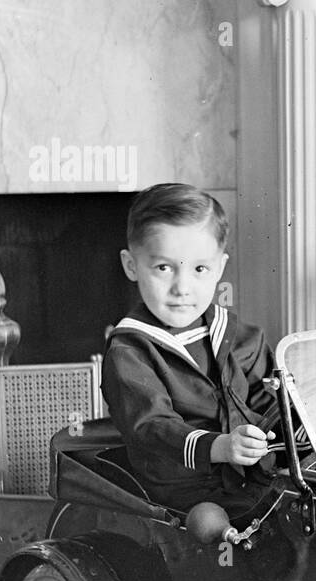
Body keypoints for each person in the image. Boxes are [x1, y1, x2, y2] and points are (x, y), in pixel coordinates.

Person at [101, 182, 283, 523]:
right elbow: (152, 429)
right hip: (185, 493)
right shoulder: (131, 350)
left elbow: (267, 402)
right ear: (131, 265)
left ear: (219, 268)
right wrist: (220, 446)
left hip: (254, 478)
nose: (182, 288)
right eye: (163, 268)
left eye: (199, 269)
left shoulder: (239, 334)